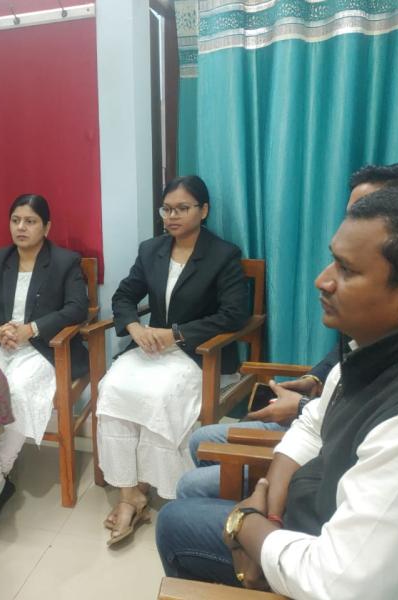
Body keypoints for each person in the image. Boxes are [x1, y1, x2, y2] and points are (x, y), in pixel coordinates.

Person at [156, 186, 398, 599]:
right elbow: (314, 419)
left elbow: (339, 584)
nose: (322, 280)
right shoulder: (384, 340)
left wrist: (246, 524)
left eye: (346, 269)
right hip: (311, 506)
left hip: (329, 563)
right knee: (189, 493)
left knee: (176, 522)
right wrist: (269, 497)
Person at [176, 161, 398, 500]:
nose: (323, 281)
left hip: (333, 453)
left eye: (367, 211)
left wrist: (258, 516)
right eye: (351, 212)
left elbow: (355, 436)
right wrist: (314, 381)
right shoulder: (376, 303)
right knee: (201, 440)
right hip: (318, 422)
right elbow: (342, 354)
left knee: (189, 492)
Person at [96, 175, 250, 546]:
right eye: (166, 209)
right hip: (150, 347)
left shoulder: (223, 254)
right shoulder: (151, 249)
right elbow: (123, 296)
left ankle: (165, 487)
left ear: (204, 210)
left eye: (182, 208)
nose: (172, 216)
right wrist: (134, 327)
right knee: (111, 387)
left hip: (197, 353)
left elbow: (234, 314)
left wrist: (176, 335)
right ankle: (130, 493)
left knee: (159, 395)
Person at [0, 194, 88, 527]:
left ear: (47, 227)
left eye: (30, 221)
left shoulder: (64, 261)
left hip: (43, 348)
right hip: (0, 343)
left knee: (15, 390)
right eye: (16, 220)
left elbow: (77, 308)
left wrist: (32, 329)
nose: (21, 227)